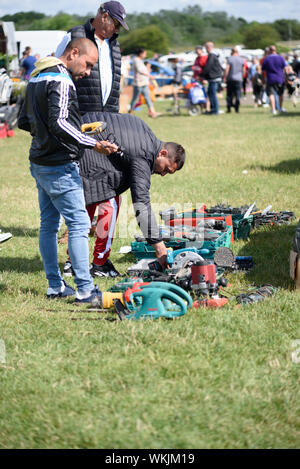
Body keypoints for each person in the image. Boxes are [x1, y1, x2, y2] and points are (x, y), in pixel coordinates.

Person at [18, 38, 118, 303]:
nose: (87, 72)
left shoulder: (36, 77)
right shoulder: (61, 80)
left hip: (38, 161)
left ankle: (55, 287)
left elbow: (24, 122)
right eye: (87, 65)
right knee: (79, 224)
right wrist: (93, 142)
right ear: (73, 53)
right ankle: (85, 289)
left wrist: (48, 138)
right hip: (59, 165)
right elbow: (60, 122)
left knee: (49, 225)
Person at [63, 112, 186, 278]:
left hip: (75, 144)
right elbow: (141, 203)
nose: (163, 174)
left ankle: (73, 263)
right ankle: (100, 264)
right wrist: (158, 245)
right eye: (166, 169)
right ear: (162, 153)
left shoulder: (145, 132)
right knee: (110, 202)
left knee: (91, 199)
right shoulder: (145, 154)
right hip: (87, 153)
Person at [55, 1, 128, 115]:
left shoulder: (115, 45)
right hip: (78, 116)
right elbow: (57, 70)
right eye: (117, 25)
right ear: (104, 17)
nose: (118, 30)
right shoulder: (74, 36)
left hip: (108, 117)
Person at [129, 48, 161, 118]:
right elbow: (140, 71)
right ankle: (130, 112)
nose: (145, 55)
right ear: (140, 54)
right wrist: (150, 76)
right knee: (135, 98)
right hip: (138, 83)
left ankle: (152, 112)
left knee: (148, 98)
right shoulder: (136, 60)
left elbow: (144, 70)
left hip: (144, 83)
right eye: (144, 53)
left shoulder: (140, 61)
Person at [262, 45, 286, 115]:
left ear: (269, 50)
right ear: (275, 50)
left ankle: (273, 109)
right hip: (280, 78)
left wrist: (263, 79)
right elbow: (285, 68)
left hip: (270, 78)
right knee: (280, 94)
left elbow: (263, 71)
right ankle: (280, 108)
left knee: (271, 94)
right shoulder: (281, 58)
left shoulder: (267, 59)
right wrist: (286, 78)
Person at [201, 42, 224, 115]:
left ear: (209, 47)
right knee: (211, 94)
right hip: (214, 78)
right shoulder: (214, 55)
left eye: (206, 47)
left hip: (214, 78)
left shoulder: (212, 55)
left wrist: (202, 75)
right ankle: (213, 109)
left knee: (213, 95)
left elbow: (208, 67)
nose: (205, 49)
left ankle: (215, 110)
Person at [223, 46, 244, 113]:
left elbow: (227, 69)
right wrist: (242, 77)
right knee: (238, 94)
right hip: (239, 79)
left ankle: (229, 108)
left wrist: (225, 77)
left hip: (230, 79)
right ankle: (237, 109)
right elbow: (244, 70)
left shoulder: (230, 59)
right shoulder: (241, 59)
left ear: (232, 52)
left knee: (229, 94)